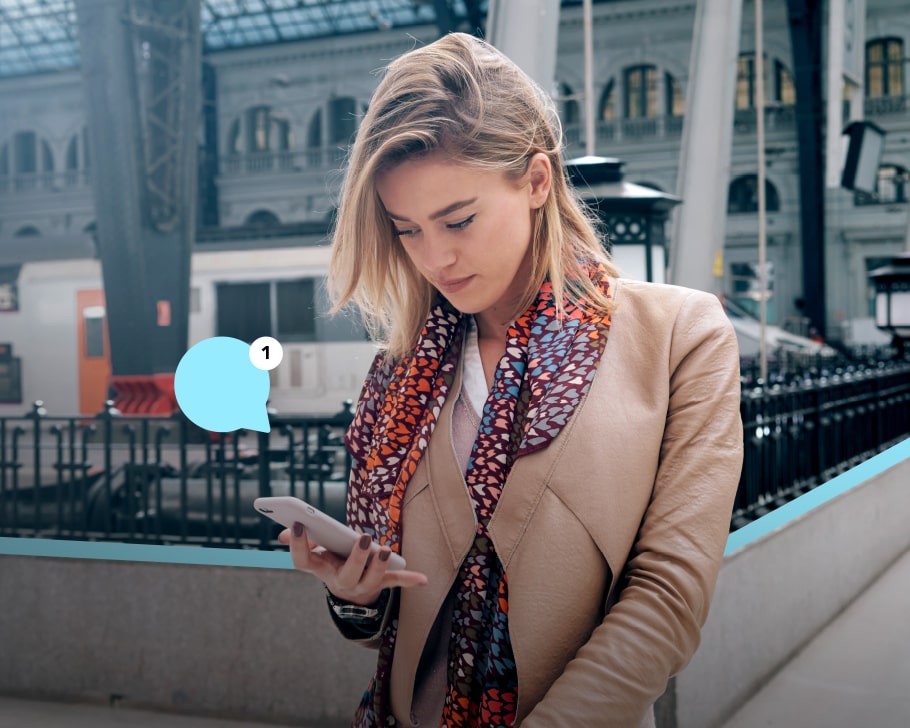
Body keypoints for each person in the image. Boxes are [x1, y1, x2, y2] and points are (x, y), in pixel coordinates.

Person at [278, 32, 743, 728]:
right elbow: (382, 627)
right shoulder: (400, 371)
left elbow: (669, 598)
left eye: (458, 219)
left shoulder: (680, 336)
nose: (435, 257)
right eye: (406, 230)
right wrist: (354, 595)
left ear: (535, 181)